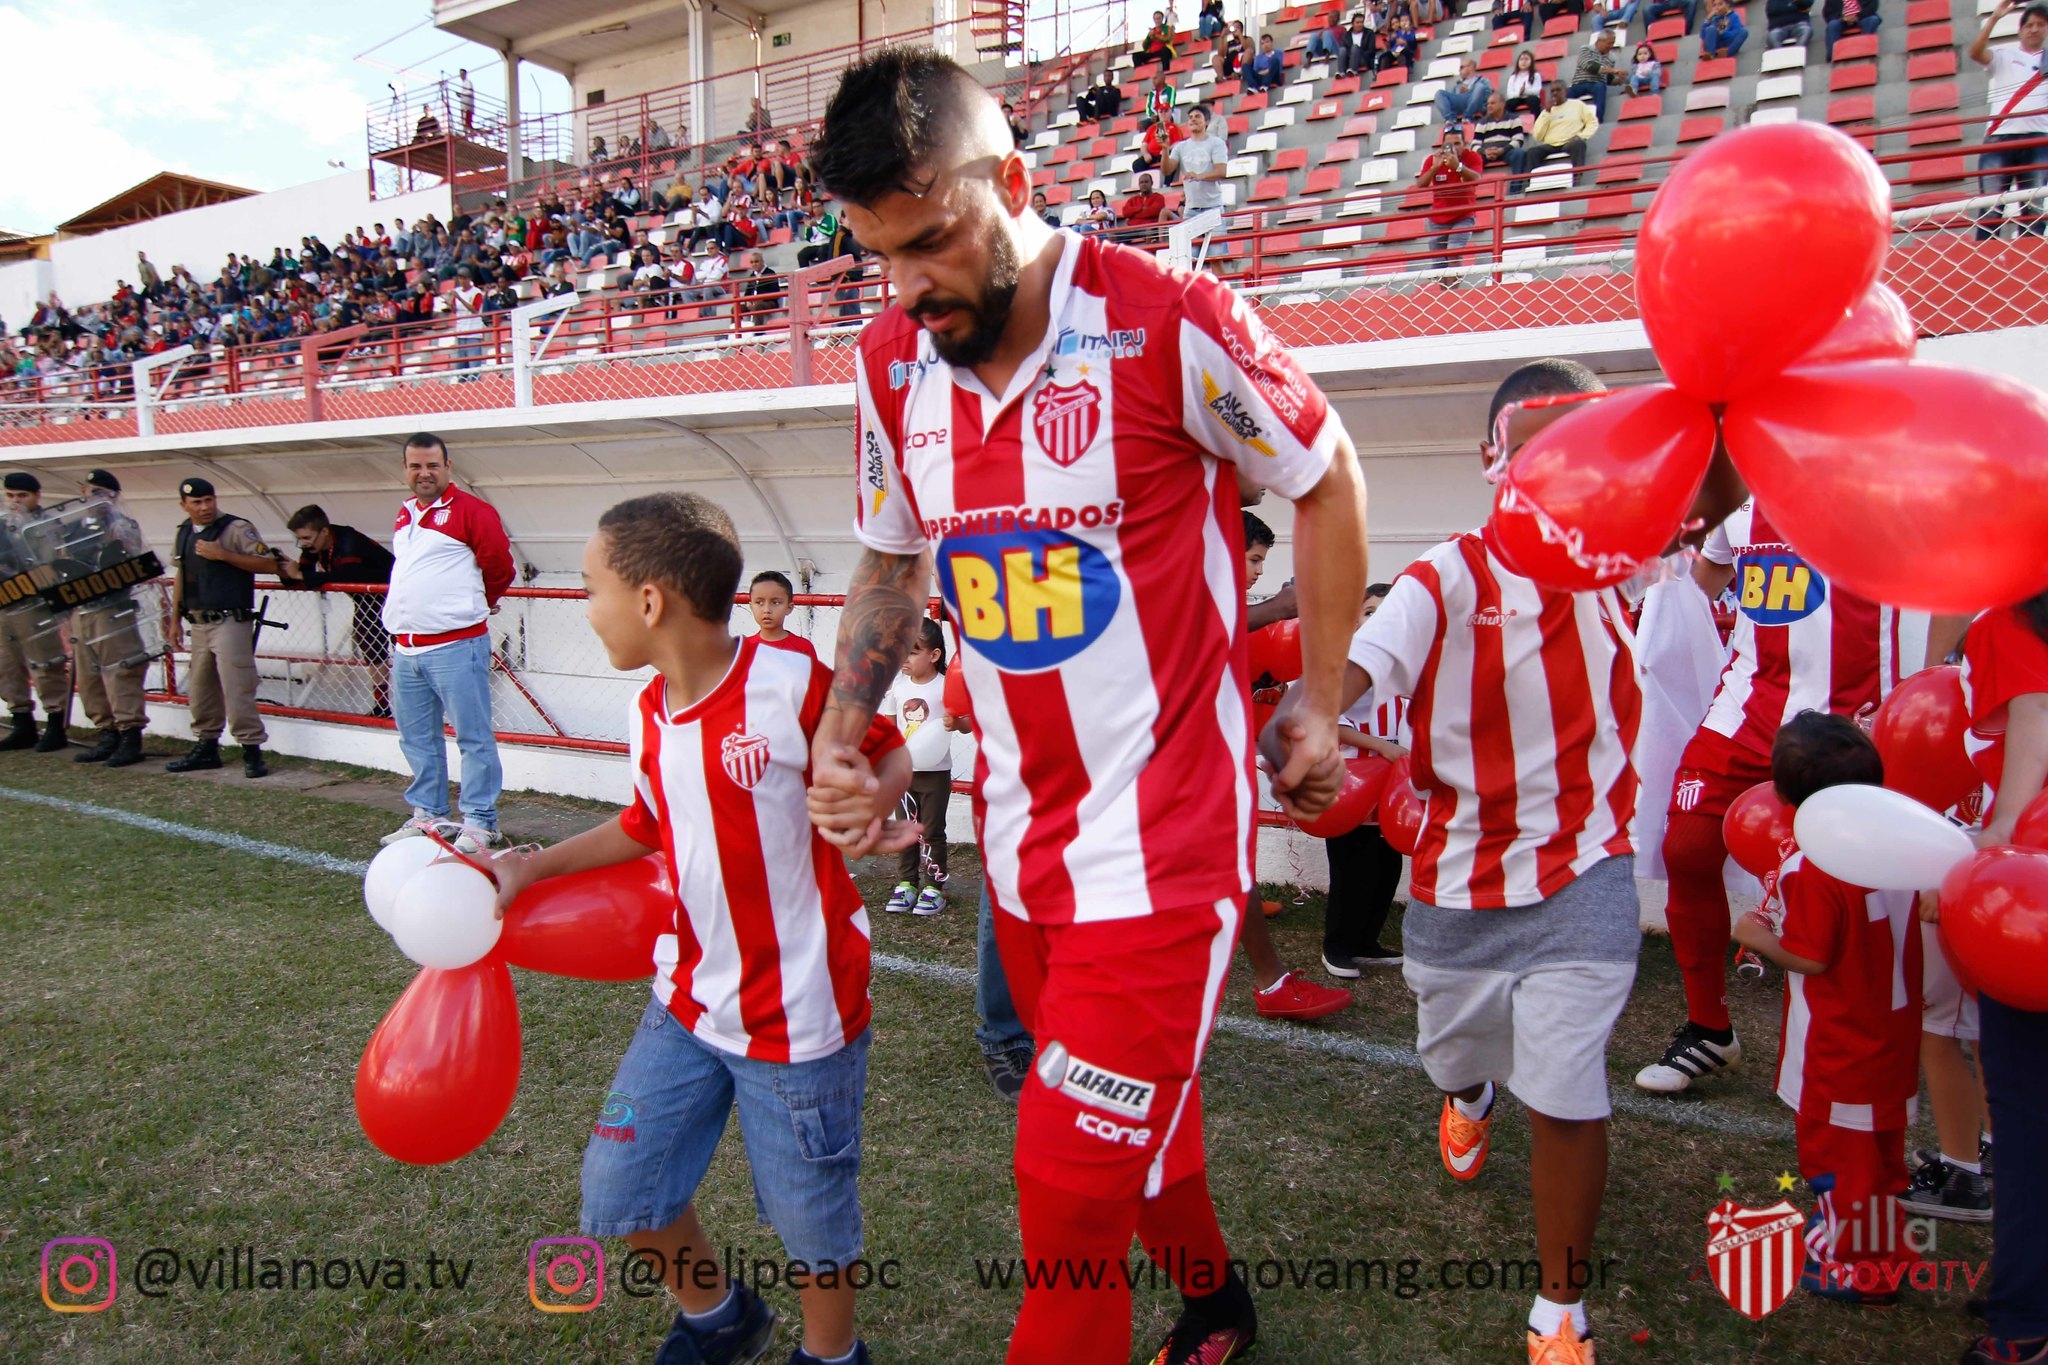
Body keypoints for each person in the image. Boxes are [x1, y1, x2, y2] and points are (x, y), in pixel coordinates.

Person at [809, 49, 1369, 1365]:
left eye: (933, 243)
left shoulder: (1173, 317)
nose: (910, 287)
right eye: (878, 256)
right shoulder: (893, 363)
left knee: (1063, 1199)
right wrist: (850, 721)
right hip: (1021, 849)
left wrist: (1327, 703)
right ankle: (1220, 1307)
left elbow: (1325, 475)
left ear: (1011, 180)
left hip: (1165, 855)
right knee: (1136, 1131)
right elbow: (894, 557)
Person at [488, 492, 912, 1365]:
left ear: (649, 602)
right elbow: (647, 820)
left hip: (797, 1021)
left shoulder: (790, 680)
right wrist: (536, 865)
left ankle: (834, 1356)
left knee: (811, 1218)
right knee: (623, 1184)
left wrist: (874, 793)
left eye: (589, 585)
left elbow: (886, 746)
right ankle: (721, 1317)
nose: (584, 602)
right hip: (684, 1001)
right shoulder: (648, 714)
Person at [1333, 358, 1639, 1365]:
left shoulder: (1631, 556)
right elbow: (1361, 664)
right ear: (1490, 459)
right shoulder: (1441, 578)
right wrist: (1308, 714)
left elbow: (1714, 483)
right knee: (1456, 1055)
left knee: (1565, 1088)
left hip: (1585, 869)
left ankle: (1559, 1310)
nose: (1555, 468)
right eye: (1534, 445)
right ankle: (1466, 1095)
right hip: (1458, 883)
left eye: (1577, 447)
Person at [1633, 496, 1895, 1095]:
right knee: (1688, 850)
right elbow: (1707, 577)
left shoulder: (1888, 489)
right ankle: (1708, 1028)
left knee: (1854, 882)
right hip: (1744, 712)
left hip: (1851, 718)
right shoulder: (1742, 499)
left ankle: (1873, 1034)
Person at [1731, 713, 1921, 1306]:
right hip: (1893, 1030)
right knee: (1881, 1151)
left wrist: (1758, 937)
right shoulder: (1901, 846)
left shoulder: (1817, 867)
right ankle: (1883, 1244)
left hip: (1842, 1041)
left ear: (1784, 799)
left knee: (1840, 1157)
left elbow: (1811, 958)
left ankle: (1858, 1266)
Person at [1946, 589, 2048, 1365]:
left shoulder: (2012, 621)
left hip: (2036, 902)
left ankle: (2024, 1321)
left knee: (2026, 1109)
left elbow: (2031, 740)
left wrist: (1984, 854)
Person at [1239, 509, 1357, 1022]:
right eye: (1251, 558)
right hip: (1183, 762)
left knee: (1225, 864)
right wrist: (1282, 606)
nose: (1258, 571)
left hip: (1221, 757)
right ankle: (1271, 981)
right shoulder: (1188, 596)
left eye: (1262, 561)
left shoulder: (1244, 611)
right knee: (1221, 867)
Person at [379, 433, 514, 854]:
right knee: (417, 738)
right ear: (405, 470)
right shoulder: (405, 515)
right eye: (416, 466)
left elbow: (500, 567)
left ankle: (479, 820)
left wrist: (480, 603)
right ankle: (429, 817)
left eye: (432, 465)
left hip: (456, 645)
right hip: (406, 647)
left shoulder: (473, 511)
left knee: (472, 737)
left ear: (448, 466)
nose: (424, 473)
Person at [942, 647, 1038, 1098]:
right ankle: (1006, 1035)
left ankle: (1072, 1031)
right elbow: (963, 710)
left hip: (1092, 779)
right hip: (1015, 784)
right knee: (1004, 913)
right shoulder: (1002, 617)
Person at [166, 477, 277, 778]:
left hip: (229, 619)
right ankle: (206, 745)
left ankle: (252, 750)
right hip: (199, 622)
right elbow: (181, 575)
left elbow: (269, 564)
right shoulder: (184, 532)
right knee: (201, 689)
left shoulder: (236, 528)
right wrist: (174, 618)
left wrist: (223, 555)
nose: (205, 507)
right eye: (197, 502)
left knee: (237, 687)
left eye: (209, 500)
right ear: (184, 505)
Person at [1325, 582, 1408, 975]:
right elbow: (1326, 720)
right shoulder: (1347, 660)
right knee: (1351, 868)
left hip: (1395, 784)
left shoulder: (1410, 663)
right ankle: (1337, 947)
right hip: (1352, 782)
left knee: (1385, 867)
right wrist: (1382, 745)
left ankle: (1367, 941)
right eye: (1372, 613)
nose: (1380, 622)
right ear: (1356, 618)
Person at [66, 471, 152, 768]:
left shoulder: (123, 526)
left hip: (113, 609)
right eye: (92, 491)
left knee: (121, 672)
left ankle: (130, 735)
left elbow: (136, 560)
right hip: (82, 609)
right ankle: (107, 732)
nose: (97, 498)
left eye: (104, 492)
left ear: (115, 496)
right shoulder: (73, 529)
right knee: (89, 676)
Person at [281, 504, 396, 718]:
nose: (304, 544)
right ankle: (382, 706)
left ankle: (419, 703)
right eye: (301, 539)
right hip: (367, 601)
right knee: (373, 652)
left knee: (407, 652)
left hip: (395, 599)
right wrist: (287, 572)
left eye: (307, 538)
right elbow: (303, 574)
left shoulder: (348, 541)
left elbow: (348, 575)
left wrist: (302, 576)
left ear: (324, 532)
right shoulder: (314, 546)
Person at [882, 618, 955, 916]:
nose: (904, 658)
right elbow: (888, 726)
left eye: (912, 651)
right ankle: (907, 883)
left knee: (933, 830)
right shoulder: (897, 686)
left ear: (934, 655)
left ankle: (934, 887)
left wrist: (956, 722)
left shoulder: (945, 686)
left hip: (935, 773)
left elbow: (962, 724)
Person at [0, 472, 73, 753]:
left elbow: (53, 563)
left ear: (37, 496)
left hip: (34, 602)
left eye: (23, 495)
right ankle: (22, 722)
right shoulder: (4, 524)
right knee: (6, 666)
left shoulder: (47, 525)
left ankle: (56, 723)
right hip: (6, 602)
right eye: (11, 495)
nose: (16, 501)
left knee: (46, 664)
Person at [1970, 1, 2048, 241]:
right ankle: (1983, 264)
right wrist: (1994, 18)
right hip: (2000, 139)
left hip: (2038, 141)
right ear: (2020, 29)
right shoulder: (2005, 55)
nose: (2034, 29)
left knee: (2033, 212)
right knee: (1992, 209)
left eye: (2040, 25)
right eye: (2029, 24)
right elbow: (1975, 53)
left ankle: (2029, 270)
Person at [1417, 130, 1484, 279]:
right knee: (1439, 262)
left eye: (1457, 143)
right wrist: (1434, 167)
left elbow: (1477, 179)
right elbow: (1421, 184)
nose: (1453, 148)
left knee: (1454, 253)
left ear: (1465, 144)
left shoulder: (1472, 157)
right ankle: (1444, 296)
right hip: (1438, 218)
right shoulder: (1433, 160)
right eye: (1449, 144)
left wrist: (1458, 167)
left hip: (1463, 214)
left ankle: (1454, 294)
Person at [1508, 83, 1598, 191]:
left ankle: (1576, 180)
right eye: (1552, 91)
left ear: (1565, 91)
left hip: (1569, 142)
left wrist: (1581, 136)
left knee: (1579, 144)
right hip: (1550, 145)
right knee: (1532, 152)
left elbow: (1592, 122)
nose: (1555, 93)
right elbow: (1537, 135)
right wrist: (1547, 112)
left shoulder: (1578, 105)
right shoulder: (1547, 111)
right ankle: (1529, 183)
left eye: (1558, 90)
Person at [1165, 104, 1229, 217]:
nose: (1193, 119)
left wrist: (1199, 176)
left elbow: (1221, 171)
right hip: (1190, 209)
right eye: (1190, 117)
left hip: (1213, 206)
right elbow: (1167, 171)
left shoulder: (1217, 143)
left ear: (1207, 122)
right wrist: (1165, 149)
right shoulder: (1180, 146)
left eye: (1198, 116)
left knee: (1218, 236)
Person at [748, 569, 814, 657]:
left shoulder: (802, 648)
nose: (766, 610)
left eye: (775, 603)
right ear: (751, 606)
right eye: (759, 602)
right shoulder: (743, 648)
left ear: (789, 607)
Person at [1567, 30, 1627, 121]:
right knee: (1566, 93)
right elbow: (1588, 65)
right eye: (1609, 43)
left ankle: (1598, 121)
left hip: (1597, 84)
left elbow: (1608, 79)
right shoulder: (1586, 49)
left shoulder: (1611, 57)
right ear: (1600, 41)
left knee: (1600, 86)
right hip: (1579, 84)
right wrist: (1614, 70)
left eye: (1613, 43)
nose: (1611, 46)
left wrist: (1619, 80)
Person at [1473, 92, 1527, 169]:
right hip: (1486, 153)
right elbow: (1474, 144)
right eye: (1488, 104)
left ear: (1502, 104)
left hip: (1506, 151)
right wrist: (1484, 152)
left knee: (1519, 153)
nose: (1489, 106)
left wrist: (1502, 150)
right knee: (1472, 159)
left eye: (1492, 103)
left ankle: (1517, 180)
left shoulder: (1514, 119)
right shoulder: (1482, 122)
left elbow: (1518, 140)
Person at [1435, 58, 1494, 122]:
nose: (1459, 70)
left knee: (1480, 87)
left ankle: (1467, 117)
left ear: (1471, 67)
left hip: (1476, 103)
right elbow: (1451, 100)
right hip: (1461, 103)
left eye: (1461, 67)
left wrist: (1470, 89)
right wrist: (1460, 93)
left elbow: (1487, 96)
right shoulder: (1457, 85)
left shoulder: (1483, 81)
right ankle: (1450, 119)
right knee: (1439, 93)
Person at [1504, 48, 1545, 114]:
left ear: (1531, 61)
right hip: (1517, 97)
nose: (1524, 62)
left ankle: (1537, 122)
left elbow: (1537, 90)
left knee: (1534, 100)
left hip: (1530, 97)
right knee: (1508, 104)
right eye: (1521, 59)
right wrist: (1519, 93)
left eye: (1526, 59)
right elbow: (1509, 94)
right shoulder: (1513, 77)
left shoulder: (1536, 75)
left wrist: (1525, 91)